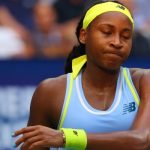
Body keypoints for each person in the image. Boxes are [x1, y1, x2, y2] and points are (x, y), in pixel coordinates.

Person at [13, 1, 150, 149]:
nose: (117, 42)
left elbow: (143, 140)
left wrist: (66, 137)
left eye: (125, 36)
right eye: (106, 32)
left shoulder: (144, 80)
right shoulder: (50, 92)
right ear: (83, 35)